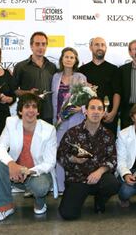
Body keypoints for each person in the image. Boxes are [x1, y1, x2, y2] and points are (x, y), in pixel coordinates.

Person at [0, 93, 57, 221]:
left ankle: (40, 203)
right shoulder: (11, 123)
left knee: (41, 186)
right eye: (27, 106)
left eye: (34, 107)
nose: (31, 110)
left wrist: (29, 171)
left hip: (36, 174)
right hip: (15, 173)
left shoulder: (49, 130)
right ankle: (6, 207)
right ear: (20, 111)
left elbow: (50, 162)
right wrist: (12, 164)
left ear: (38, 111)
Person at [57, 97, 120, 220]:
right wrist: (73, 159)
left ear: (103, 113)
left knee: (113, 184)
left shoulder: (108, 134)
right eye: (92, 108)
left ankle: (100, 200)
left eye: (99, 109)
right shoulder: (72, 133)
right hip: (77, 178)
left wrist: (100, 171)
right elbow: (60, 154)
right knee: (68, 214)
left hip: (99, 178)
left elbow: (113, 159)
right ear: (85, 111)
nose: (96, 112)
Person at [52, 47, 87, 193]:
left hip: (76, 120)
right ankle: (60, 187)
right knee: (60, 153)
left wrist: (81, 108)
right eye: (66, 57)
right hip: (60, 121)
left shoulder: (80, 77)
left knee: (75, 152)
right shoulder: (55, 77)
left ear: (75, 60)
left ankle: (76, 186)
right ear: (62, 59)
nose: (68, 59)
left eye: (72, 57)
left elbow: (86, 97)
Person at [13, 31, 57, 123]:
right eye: (37, 44)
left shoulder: (52, 67)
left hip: (48, 114)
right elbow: (14, 91)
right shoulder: (21, 67)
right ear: (31, 46)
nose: (41, 47)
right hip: (29, 114)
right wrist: (28, 93)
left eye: (43, 44)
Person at [79, 37, 120, 135]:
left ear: (106, 48)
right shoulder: (82, 70)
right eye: (96, 45)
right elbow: (79, 95)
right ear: (90, 47)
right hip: (88, 117)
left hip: (108, 117)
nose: (100, 47)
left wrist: (113, 113)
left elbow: (117, 93)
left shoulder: (114, 69)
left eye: (102, 45)